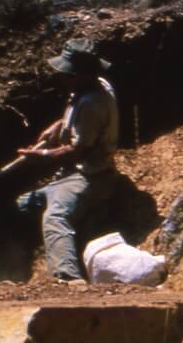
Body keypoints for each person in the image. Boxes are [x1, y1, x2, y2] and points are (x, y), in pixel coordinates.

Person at [16, 38, 120, 282]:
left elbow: (77, 151)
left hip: (90, 176)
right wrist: (58, 126)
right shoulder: (91, 87)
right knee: (23, 205)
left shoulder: (94, 102)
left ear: (83, 74)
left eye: (69, 73)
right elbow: (76, 115)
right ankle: (27, 263)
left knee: (55, 217)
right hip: (71, 175)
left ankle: (69, 280)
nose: (63, 77)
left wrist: (40, 155)